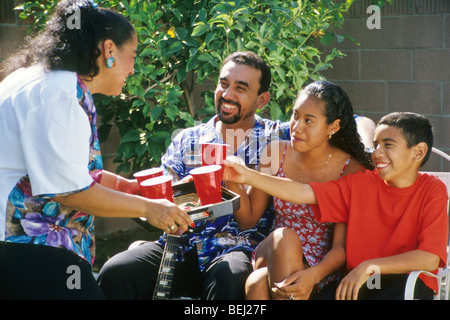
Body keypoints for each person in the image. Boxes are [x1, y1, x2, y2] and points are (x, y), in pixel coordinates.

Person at [0, 0, 193, 299]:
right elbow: (69, 191)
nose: (133, 68)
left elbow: (54, 169)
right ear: (109, 51)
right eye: (132, 56)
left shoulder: (42, 79)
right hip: (29, 251)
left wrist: (122, 187)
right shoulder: (60, 93)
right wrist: (151, 209)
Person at [97, 51, 290, 300]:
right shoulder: (188, 139)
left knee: (231, 277)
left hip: (237, 249)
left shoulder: (274, 139)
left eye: (241, 88)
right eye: (223, 84)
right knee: (117, 272)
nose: (228, 94)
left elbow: (327, 118)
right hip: (182, 247)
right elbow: (166, 196)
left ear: (262, 99)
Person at [224, 111, 448, 300]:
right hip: (355, 285)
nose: (377, 153)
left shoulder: (433, 190)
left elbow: (429, 258)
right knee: (261, 283)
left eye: (388, 145)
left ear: (418, 152)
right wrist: (247, 176)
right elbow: (304, 192)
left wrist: (369, 266)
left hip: (406, 284)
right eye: (376, 144)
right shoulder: (362, 182)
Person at [224, 81, 373, 300]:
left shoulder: (351, 170)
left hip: (322, 268)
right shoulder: (276, 152)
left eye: (309, 121)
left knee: (257, 284)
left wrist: (312, 275)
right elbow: (248, 219)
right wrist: (232, 177)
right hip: (274, 251)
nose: (296, 127)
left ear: (333, 126)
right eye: (295, 115)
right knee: (285, 238)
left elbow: (341, 248)